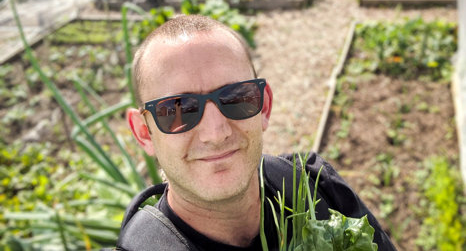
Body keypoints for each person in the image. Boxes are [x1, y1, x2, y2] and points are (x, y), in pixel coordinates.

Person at [117, 15, 397, 251]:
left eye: (236, 97)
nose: (216, 133)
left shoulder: (318, 190)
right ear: (144, 132)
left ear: (263, 106)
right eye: (178, 109)